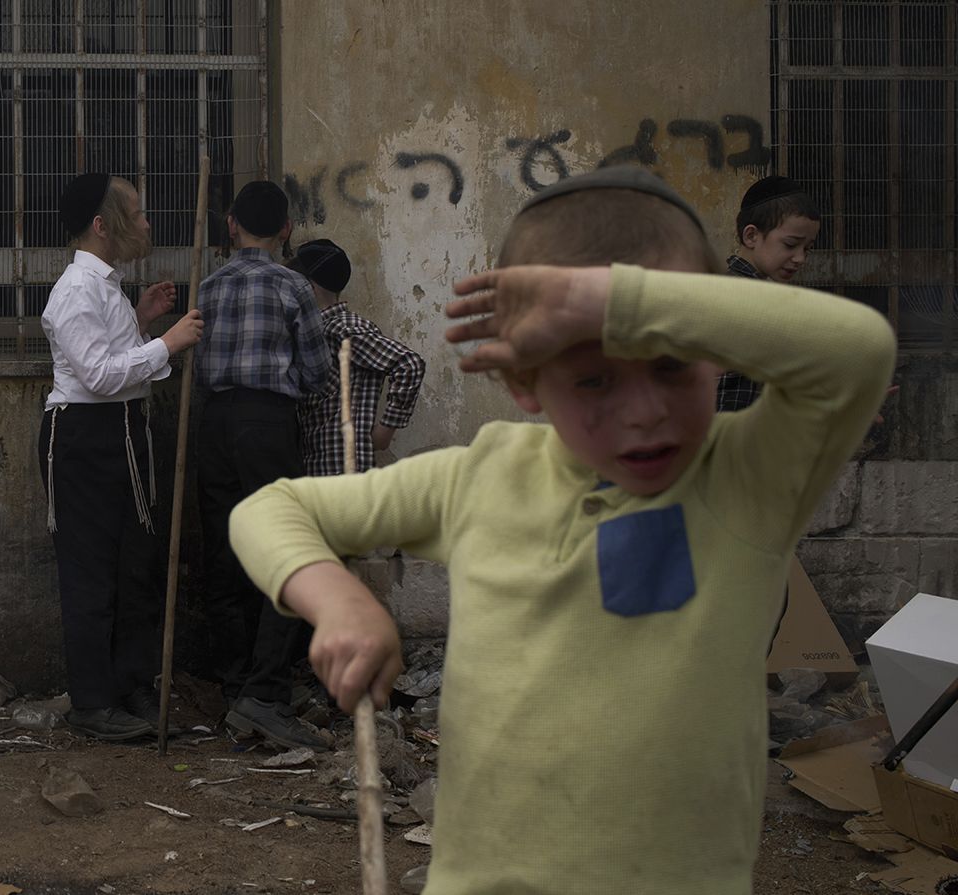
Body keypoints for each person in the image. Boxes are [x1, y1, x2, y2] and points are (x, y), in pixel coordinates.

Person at [229, 167, 894, 894]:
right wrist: (336, 598)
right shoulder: (481, 479)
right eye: (594, 379)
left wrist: (607, 303)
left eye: (672, 365)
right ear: (524, 381)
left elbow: (858, 351)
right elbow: (269, 510)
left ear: (717, 351)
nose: (643, 410)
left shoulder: (748, 478)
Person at [39, 173, 203, 741]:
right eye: (136, 212)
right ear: (103, 225)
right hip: (85, 436)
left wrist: (141, 321)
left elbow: (111, 355)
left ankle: (127, 684)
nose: (147, 223)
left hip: (122, 431)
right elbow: (100, 376)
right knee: (89, 572)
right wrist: (169, 343)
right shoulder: (75, 291)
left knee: (133, 564)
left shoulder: (106, 288)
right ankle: (91, 702)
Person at [193, 181, 335, 749]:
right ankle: (265, 693)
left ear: (230, 225)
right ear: (286, 231)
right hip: (267, 423)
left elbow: (200, 363)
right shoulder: (292, 284)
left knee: (226, 552)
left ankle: (237, 682)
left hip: (214, 424)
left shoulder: (209, 284)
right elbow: (318, 372)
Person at [285, 239, 426, 477]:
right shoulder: (318, 330)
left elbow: (409, 363)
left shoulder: (341, 328)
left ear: (308, 288)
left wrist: (385, 430)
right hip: (321, 469)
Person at [717, 175, 821, 411]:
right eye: (790, 244)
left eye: (808, 248)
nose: (800, 258)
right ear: (751, 236)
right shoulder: (743, 298)